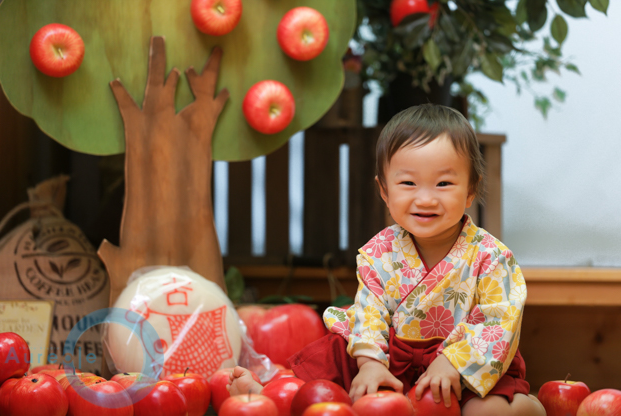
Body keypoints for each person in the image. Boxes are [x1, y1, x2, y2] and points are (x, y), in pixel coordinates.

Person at [227, 104, 545, 416]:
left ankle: (529, 406)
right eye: (408, 183)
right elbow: (371, 313)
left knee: (484, 411)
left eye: (444, 183)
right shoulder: (380, 251)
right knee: (326, 384)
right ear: (384, 191)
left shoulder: (491, 256)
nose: (425, 198)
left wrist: (452, 362)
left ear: (471, 190)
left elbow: (500, 320)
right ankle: (276, 396)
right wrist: (369, 365)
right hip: (392, 361)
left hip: (464, 368)